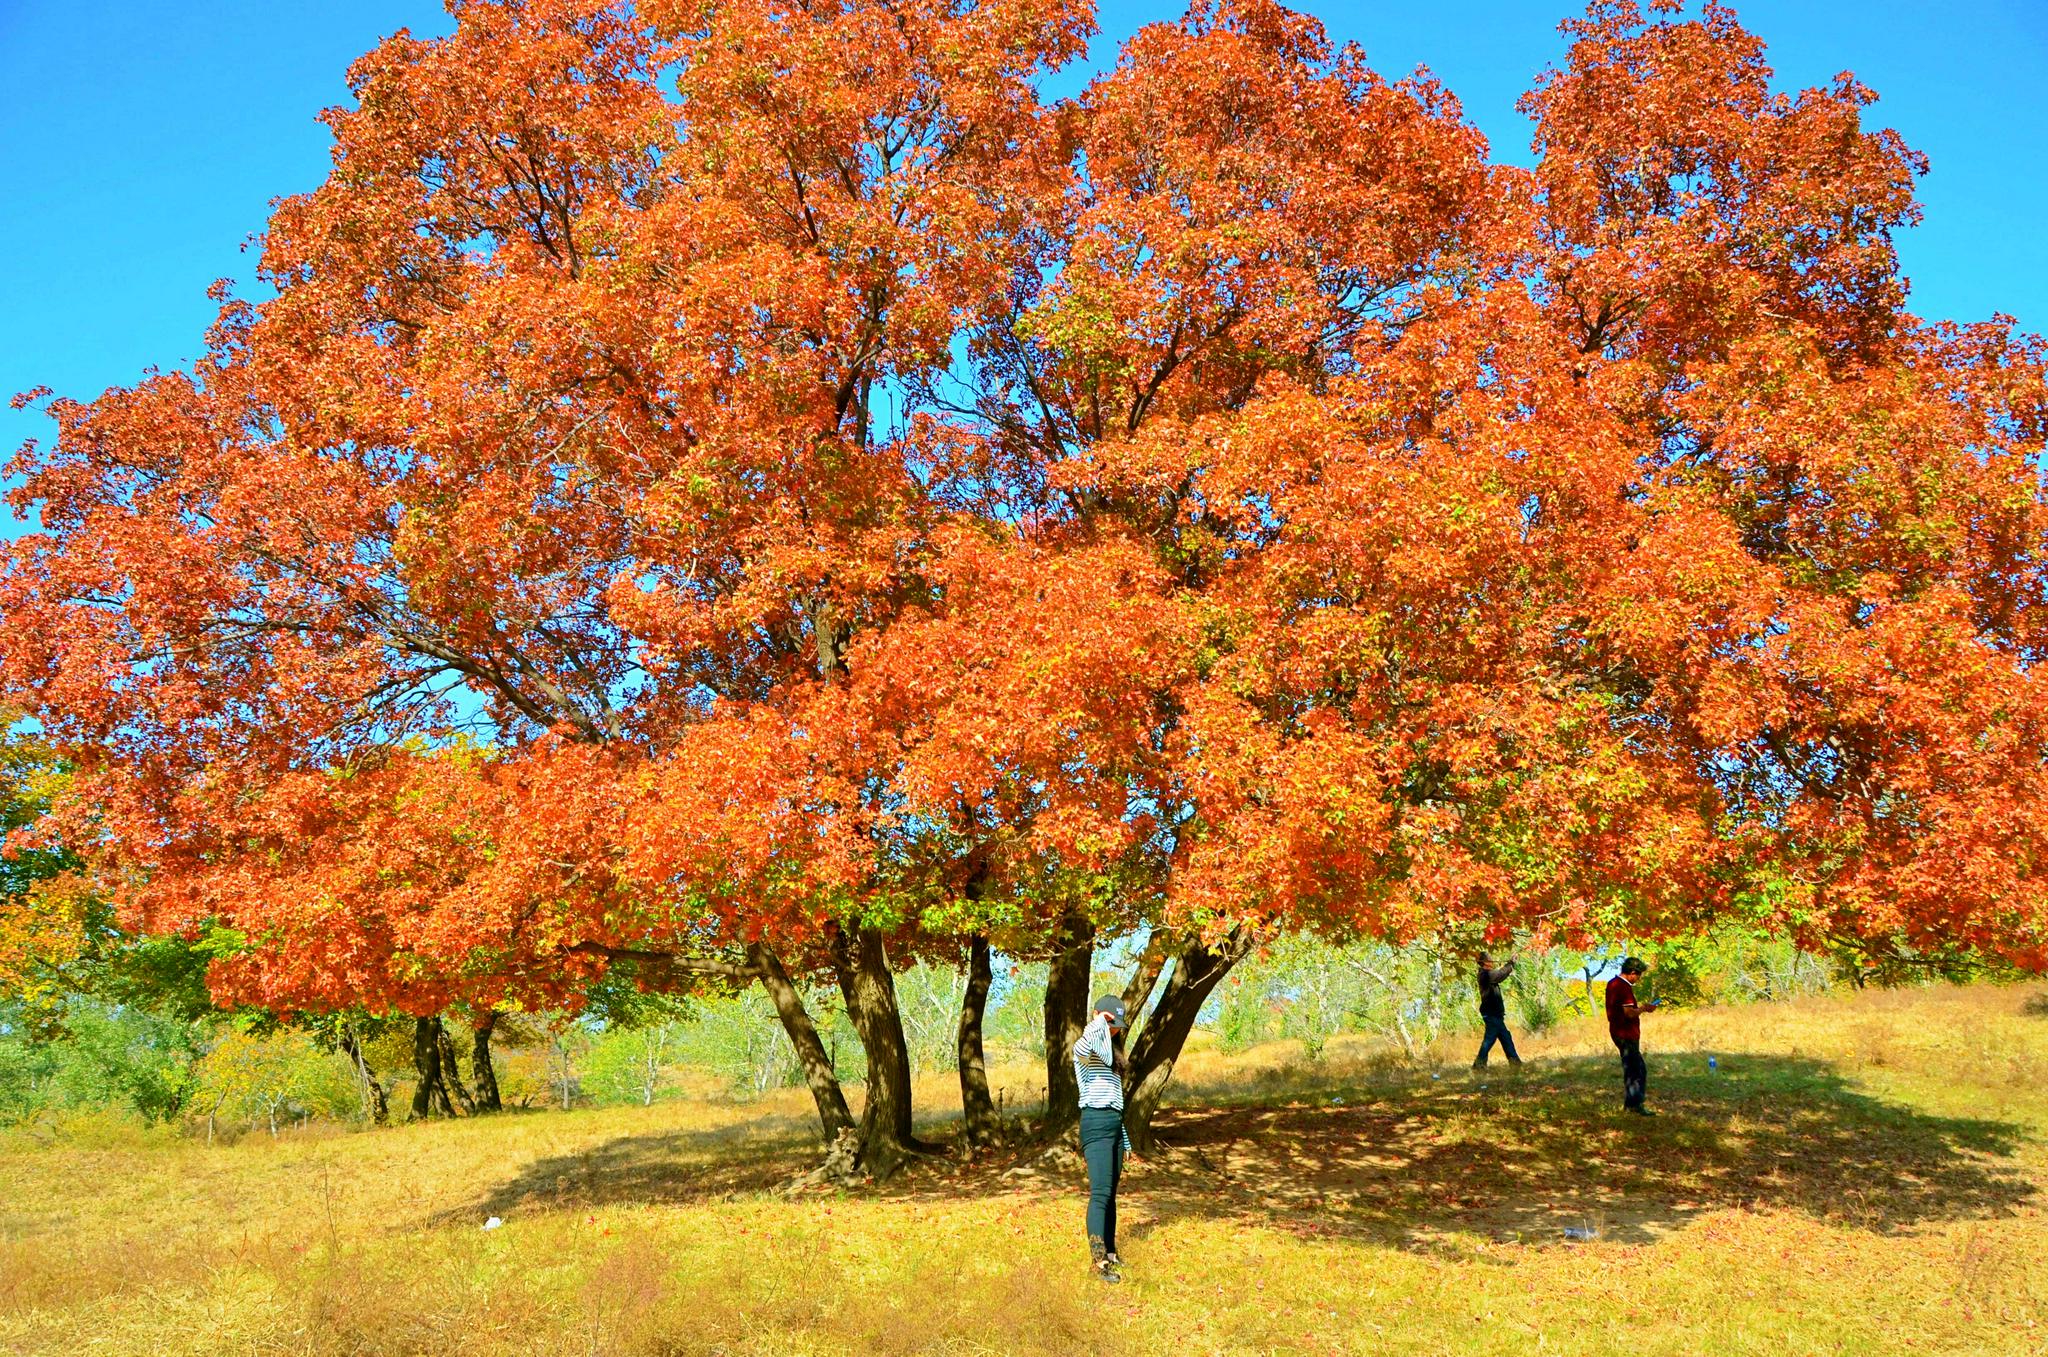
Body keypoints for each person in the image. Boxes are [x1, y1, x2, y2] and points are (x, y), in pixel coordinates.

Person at [1073, 993, 1133, 1283]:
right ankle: (1098, 1263)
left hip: (1114, 1124)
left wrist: (1125, 1137)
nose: (1114, 1029)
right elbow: (1084, 1045)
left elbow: (1115, 1100)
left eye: (1117, 1025)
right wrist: (1099, 1021)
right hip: (1095, 1123)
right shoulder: (1086, 1051)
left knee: (1111, 1194)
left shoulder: (1112, 1055)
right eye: (1111, 1023)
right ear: (1097, 1017)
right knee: (1099, 1194)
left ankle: (1110, 1252)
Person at [1605, 957, 1660, 1115]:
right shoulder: (1624, 987)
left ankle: (1632, 1104)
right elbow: (1629, 1013)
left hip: (1617, 1031)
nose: (1639, 979)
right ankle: (1634, 1105)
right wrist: (1644, 1008)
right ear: (1632, 972)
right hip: (1626, 1033)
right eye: (1639, 975)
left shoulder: (1612, 983)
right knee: (1636, 1070)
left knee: (1633, 1068)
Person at [1472, 951, 1522, 1068]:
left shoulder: (1487, 974)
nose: (1492, 961)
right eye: (1490, 959)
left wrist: (1510, 964)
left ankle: (1515, 1062)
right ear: (1485, 962)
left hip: (1495, 1014)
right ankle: (1479, 1064)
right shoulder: (1485, 975)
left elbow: (1500, 973)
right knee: (1490, 1039)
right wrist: (1511, 963)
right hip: (1491, 1014)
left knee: (1505, 1038)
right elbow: (1500, 974)